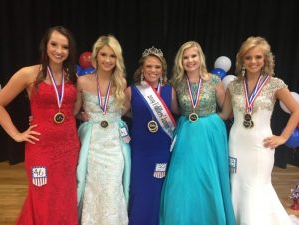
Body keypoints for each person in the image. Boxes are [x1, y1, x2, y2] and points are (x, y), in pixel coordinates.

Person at [0, 26, 80, 224]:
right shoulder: (28, 74)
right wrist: (17, 134)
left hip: (69, 147)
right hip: (40, 147)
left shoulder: (73, 76)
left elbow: (71, 109)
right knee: (41, 194)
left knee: (64, 196)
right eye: (54, 44)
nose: (59, 51)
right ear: (45, 45)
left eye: (64, 47)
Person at [219, 36, 299, 225]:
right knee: (237, 185)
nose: (253, 61)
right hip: (236, 144)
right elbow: (224, 115)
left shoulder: (275, 84)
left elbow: (296, 110)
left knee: (256, 186)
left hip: (260, 146)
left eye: (258, 57)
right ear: (242, 60)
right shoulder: (234, 85)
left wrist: (284, 137)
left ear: (265, 59)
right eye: (248, 57)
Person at [159, 41, 236, 225]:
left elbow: (226, 112)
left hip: (209, 133)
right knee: (182, 178)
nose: (190, 60)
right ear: (181, 61)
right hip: (186, 132)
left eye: (193, 56)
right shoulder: (176, 82)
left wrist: (211, 122)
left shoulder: (214, 80)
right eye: (185, 57)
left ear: (200, 57)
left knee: (207, 176)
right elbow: (176, 110)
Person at [75, 35, 130, 225]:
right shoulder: (82, 81)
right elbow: (72, 111)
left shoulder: (121, 82)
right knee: (91, 186)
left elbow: (127, 109)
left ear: (117, 59)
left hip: (114, 144)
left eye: (112, 56)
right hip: (92, 143)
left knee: (113, 185)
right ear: (96, 56)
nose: (107, 60)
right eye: (103, 55)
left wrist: (115, 118)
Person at [124, 46, 178, 225]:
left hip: (161, 150)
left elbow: (181, 113)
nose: (153, 70)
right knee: (139, 189)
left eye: (157, 67)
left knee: (157, 190)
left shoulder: (170, 91)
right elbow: (118, 113)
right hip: (140, 151)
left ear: (162, 70)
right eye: (149, 66)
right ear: (142, 68)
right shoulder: (131, 90)